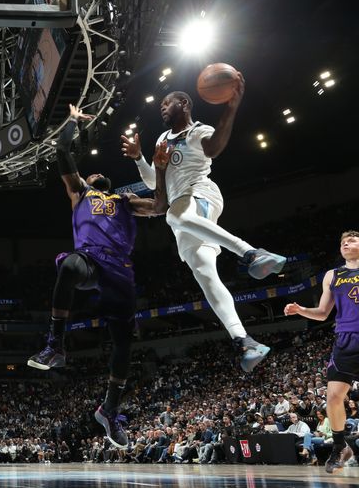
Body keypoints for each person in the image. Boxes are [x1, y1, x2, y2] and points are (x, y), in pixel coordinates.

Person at [28, 104, 170, 449]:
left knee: (124, 342)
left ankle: (110, 408)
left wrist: (161, 170)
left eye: (96, 176)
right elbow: (62, 152)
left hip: (119, 268)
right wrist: (72, 123)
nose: (94, 175)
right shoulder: (80, 193)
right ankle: (56, 345)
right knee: (70, 266)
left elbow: (162, 206)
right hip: (91, 260)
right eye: (89, 175)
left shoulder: (126, 200)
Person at [121, 80, 286, 372]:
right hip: (185, 213)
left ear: (183, 104)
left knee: (174, 215)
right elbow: (153, 183)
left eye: (166, 103)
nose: (162, 108)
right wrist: (138, 158)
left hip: (200, 195)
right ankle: (244, 340)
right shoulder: (161, 140)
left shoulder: (199, 132)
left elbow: (214, 148)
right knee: (206, 276)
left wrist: (231, 108)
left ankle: (251, 253)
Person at [284, 230, 359, 473]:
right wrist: (301, 309)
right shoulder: (332, 275)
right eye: (342, 242)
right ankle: (340, 447)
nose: (346, 243)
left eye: (352, 240)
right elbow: (323, 312)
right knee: (334, 397)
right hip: (345, 340)